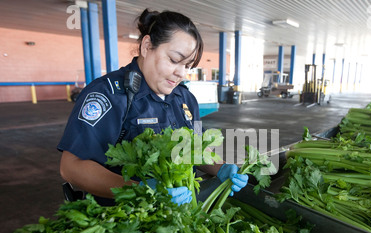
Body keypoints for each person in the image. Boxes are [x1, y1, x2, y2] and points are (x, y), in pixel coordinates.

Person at [57, 9, 248, 206]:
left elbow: (193, 151)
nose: (181, 73)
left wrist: (220, 168)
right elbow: (71, 168)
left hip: (182, 216)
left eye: (188, 65)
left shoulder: (185, 98)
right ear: (147, 46)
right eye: (174, 60)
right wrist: (139, 191)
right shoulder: (108, 94)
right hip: (126, 220)